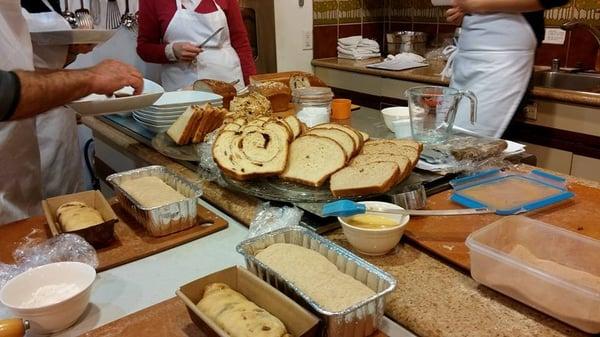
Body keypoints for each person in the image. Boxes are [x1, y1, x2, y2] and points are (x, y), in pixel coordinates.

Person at [0, 0, 143, 224]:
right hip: (16, 132)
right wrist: (91, 78)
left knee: (57, 213)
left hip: (31, 138)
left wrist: (72, 50)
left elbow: (31, 61)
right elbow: (3, 91)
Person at [444, 0, 569, 138]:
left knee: (470, 146)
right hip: (467, 59)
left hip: (504, 63)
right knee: (447, 140)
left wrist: (478, 4)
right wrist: (463, 14)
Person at [136, 0, 256, 92]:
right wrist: (171, 51)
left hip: (227, 80)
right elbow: (144, 48)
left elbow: (241, 42)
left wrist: (252, 85)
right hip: (182, 87)